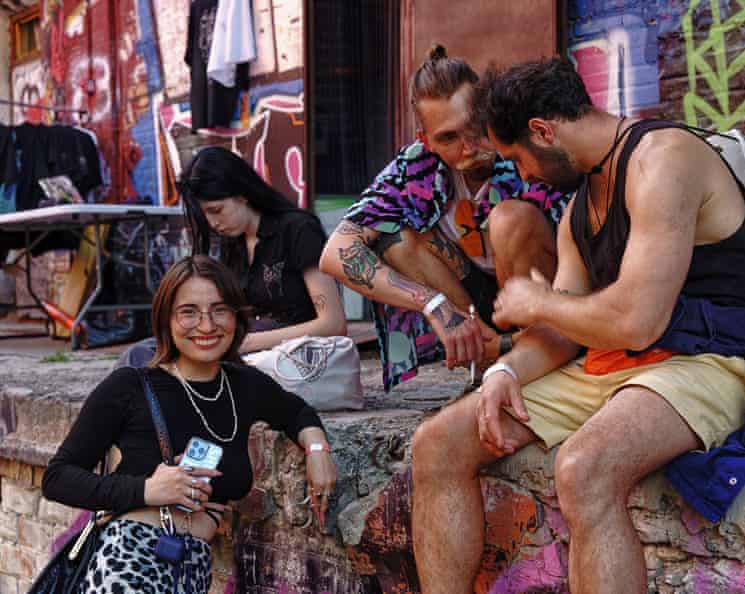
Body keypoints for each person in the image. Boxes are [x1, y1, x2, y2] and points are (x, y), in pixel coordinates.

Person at [410, 59, 745, 594]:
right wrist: (504, 371)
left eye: (518, 158)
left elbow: (636, 320)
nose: (522, 176)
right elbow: (565, 330)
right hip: (614, 367)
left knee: (584, 467)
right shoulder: (577, 210)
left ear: (544, 131)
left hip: (708, 362)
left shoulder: (664, 158)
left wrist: (540, 303)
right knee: (437, 443)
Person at [42, 256, 337, 593]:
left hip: (192, 568)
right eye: (189, 312)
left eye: (219, 310)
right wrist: (146, 490)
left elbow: (297, 412)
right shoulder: (131, 386)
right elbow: (57, 477)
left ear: (236, 316)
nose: (207, 325)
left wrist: (317, 449)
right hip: (129, 560)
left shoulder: (245, 385)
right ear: (167, 320)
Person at [319, 46, 571, 390]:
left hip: (549, 296)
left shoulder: (520, 147)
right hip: (477, 304)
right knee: (397, 240)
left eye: (474, 128)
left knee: (511, 219)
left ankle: (536, 353)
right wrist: (433, 304)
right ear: (426, 141)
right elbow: (336, 252)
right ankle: (485, 353)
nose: (468, 147)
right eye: (448, 138)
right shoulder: (416, 167)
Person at [180, 146, 347, 354]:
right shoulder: (232, 243)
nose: (213, 223)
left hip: (296, 359)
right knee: (146, 353)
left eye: (216, 210)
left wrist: (246, 343)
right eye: (205, 216)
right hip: (249, 355)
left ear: (242, 195)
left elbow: (333, 324)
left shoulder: (297, 230)